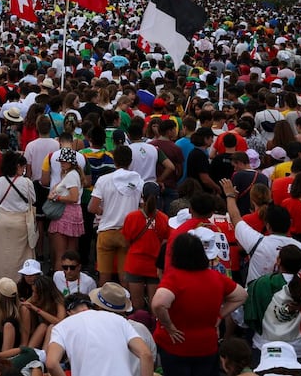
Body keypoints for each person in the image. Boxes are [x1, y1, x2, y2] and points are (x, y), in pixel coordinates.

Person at [151, 232, 247, 376]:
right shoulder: (216, 277)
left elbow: (158, 303)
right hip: (206, 345)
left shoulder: (174, 278)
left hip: (175, 345)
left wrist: (169, 326)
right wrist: (220, 316)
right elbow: (241, 295)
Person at [45, 291, 153, 376]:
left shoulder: (61, 327)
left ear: (68, 312)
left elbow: (51, 363)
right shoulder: (119, 320)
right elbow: (146, 354)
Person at [243, 244, 301, 365]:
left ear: (278, 261)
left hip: (265, 347)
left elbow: (244, 312)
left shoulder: (260, 283)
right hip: (297, 349)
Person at [88, 145, 143, 286]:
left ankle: (100, 305)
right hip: (127, 233)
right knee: (125, 275)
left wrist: (104, 211)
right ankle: (125, 303)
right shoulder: (138, 181)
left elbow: (92, 207)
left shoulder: (104, 180)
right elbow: (141, 207)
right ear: (130, 161)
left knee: (104, 275)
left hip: (106, 231)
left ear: (114, 160)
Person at [121, 181, 170, 311]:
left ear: (142, 196)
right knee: (155, 306)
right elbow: (165, 244)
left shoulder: (132, 217)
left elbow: (126, 243)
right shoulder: (164, 219)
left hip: (135, 263)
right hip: (155, 266)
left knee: (137, 305)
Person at [0, 151, 36, 279]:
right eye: (22, 167)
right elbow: (33, 199)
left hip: (1, 219)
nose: (23, 169)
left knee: (0, 253)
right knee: (20, 254)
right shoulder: (26, 182)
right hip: (20, 220)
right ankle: (18, 280)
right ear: (17, 166)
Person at [46, 147, 85, 273]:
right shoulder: (74, 174)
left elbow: (74, 197)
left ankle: (58, 283)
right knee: (71, 253)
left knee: (61, 255)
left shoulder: (71, 176)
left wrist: (57, 198)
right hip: (73, 213)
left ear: (71, 162)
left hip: (65, 213)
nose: (62, 163)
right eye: (61, 161)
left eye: (64, 161)